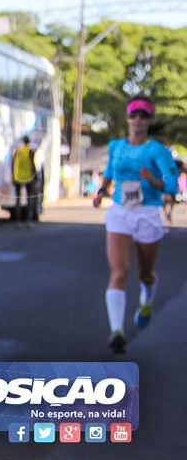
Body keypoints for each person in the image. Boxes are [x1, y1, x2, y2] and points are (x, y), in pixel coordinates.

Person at [92, 97, 179, 355]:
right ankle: (116, 331)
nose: (138, 120)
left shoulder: (157, 151)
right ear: (128, 119)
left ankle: (147, 299)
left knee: (145, 273)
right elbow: (108, 172)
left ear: (149, 120)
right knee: (119, 272)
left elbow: (172, 186)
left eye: (143, 115)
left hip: (148, 213)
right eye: (133, 115)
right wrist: (101, 191)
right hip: (120, 212)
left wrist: (154, 180)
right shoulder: (116, 146)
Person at [11, 135, 37, 229]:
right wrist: (35, 177)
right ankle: (28, 221)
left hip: (18, 177)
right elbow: (33, 165)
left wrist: (13, 176)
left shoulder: (17, 151)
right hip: (28, 178)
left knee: (18, 200)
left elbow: (12, 163)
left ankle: (18, 222)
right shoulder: (30, 151)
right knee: (29, 199)